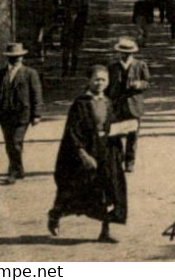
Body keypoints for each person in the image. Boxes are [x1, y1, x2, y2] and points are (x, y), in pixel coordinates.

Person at [48, 64, 127, 243]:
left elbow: (112, 125)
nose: (100, 83)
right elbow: (72, 132)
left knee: (108, 190)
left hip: (106, 151)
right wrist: (83, 154)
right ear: (89, 81)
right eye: (96, 79)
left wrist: (122, 131)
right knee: (74, 191)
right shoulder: (80, 104)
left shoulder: (109, 102)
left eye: (103, 80)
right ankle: (55, 214)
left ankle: (105, 231)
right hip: (85, 153)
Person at [0, 42, 43, 183]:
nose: (16, 59)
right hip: (4, 115)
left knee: (16, 142)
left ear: (22, 57)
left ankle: (13, 172)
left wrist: (37, 115)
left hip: (22, 115)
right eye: (13, 56)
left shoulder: (30, 74)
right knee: (10, 143)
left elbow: (37, 95)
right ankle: (19, 169)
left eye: (19, 56)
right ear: (7, 57)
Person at [105, 38, 148, 172]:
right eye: (122, 52)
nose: (125, 55)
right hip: (116, 104)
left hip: (133, 105)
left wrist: (139, 84)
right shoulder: (112, 67)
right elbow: (107, 86)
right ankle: (117, 160)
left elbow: (147, 82)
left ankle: (130, 161)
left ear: (132, 53)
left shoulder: (140, 65)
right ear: (119, 53)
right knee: (115, 134)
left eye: (128, 53)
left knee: (132, 135)